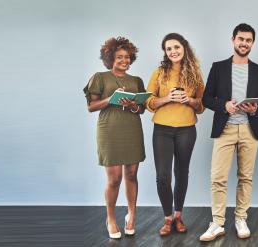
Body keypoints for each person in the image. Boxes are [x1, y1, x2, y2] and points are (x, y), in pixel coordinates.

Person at [199, 23, 258, 242]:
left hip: (250, 130)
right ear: (233, 40)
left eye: (248, 40)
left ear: (252, 43)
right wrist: (224, 106)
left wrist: (256, 108)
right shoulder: (218, 67)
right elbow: (206, 98)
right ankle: (218, 223)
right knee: (218, 178)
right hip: (225, 129)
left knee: (245, 178)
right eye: (241, 39)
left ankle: (241, 218)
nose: (244, 43)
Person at [83, 36, 146, 239]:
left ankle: (132, 215)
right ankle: (110, 217)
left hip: (132, 128)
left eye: (127, 57)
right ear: (110, 58)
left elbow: (142, 109)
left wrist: (133, 105)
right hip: (109, 130)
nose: (124, 61)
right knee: (115, 178)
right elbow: (91, 106)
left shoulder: (136, 81)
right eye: (119, 57)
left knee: (132, 174)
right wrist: (111, 99)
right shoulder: (100, 77)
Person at [144, 33, 205, 236]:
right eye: (169, 49)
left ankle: (178, 216)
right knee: (162, 176)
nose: (173, 51)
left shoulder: (195, 73)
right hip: (162, 129)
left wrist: (189, 100)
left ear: (184, 48)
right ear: (165, 52)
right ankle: (167, 217)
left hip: (186, 129)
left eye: (176, 47)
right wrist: (166, 98)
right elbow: (148, 102)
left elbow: (201, 105)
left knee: (181, 173)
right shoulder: (159, 73)